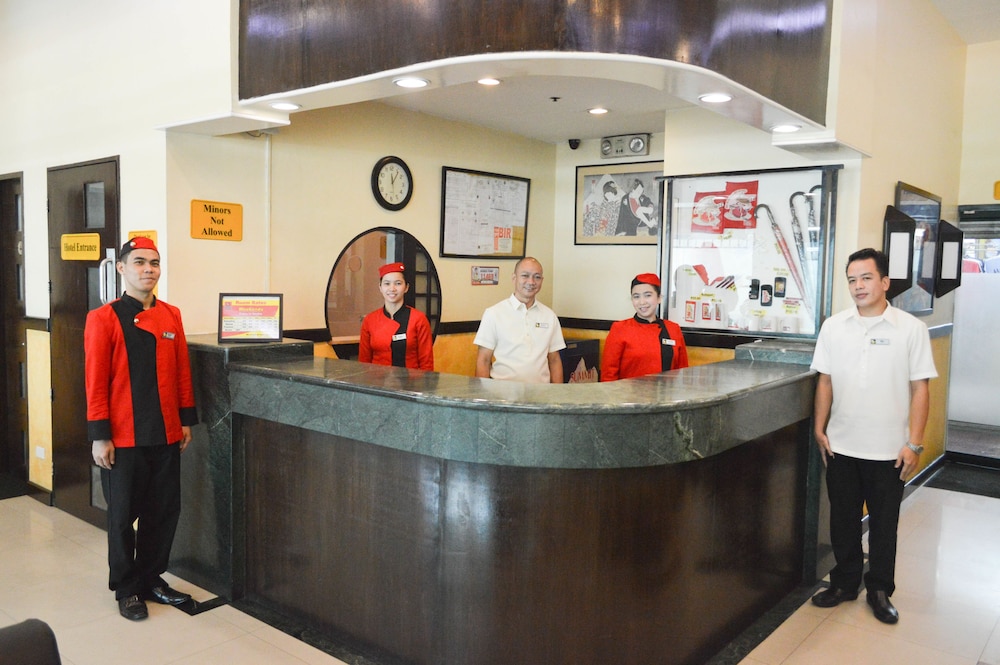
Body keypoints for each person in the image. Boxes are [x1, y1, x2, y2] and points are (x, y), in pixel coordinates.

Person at [809, 247, 937, 624]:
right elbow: (825, 381)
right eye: (852, 280)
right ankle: (845, 583)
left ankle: (879, 589)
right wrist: (819, 427)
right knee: (843, 522)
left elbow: (920, 389)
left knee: (884, 525)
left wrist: (914, 443)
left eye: (866, 278)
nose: (858, 286)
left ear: (884, 282)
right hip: (842, 445)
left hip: (890, 450)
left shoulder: (910, 329)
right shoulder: (834, 326)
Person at [84, 236, 198, 622]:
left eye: (154, 262)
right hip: (123, 436)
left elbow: (182, 371)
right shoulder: (103, 318)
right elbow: (95, 382)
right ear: (121, 268)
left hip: (165, 431)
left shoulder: (171, 315)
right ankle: (127, 588)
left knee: (162, 512)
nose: (148, 269)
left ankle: (151, 579)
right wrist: (100, 435)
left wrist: (185, 420)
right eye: (139, 262)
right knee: (121, 518)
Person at [474, 257, 565, 383]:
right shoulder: (494, 314)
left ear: (542, 281)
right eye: (525, 276)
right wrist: (481, 394)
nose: (531, 282)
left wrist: (557, 393)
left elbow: (554, 360)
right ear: (514, 278)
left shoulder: (549, 316)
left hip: (541, 392)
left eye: (537, 277)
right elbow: (483, 360)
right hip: (502, 392)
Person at [601, 273, 688, 381]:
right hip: (629, 392)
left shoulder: (673, 329)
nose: (642, 302)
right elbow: (608, 375)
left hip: (667, 391)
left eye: (648, 295)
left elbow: (683, 372)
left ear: (659, 298)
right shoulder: (620, 328)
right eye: (636, 296)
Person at [358, 262, 434, 370]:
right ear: (380, 287)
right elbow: (364, 362)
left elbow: (426, 362)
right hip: (377, 379)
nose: (392, 289)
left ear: (406, 287)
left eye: (398, 283)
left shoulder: (419, 319)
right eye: (387, 283)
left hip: (411, 379)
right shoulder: (370, 320)